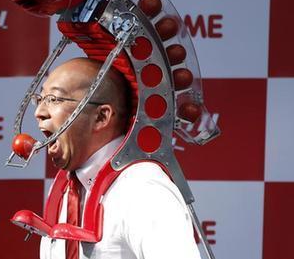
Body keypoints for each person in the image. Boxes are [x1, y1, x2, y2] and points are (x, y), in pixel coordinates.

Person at [35, 57, 201, 259]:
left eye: (54, 99)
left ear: (101, 117)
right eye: (40, 99)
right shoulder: (65, 189)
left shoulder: (142, 189)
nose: (39, 112)